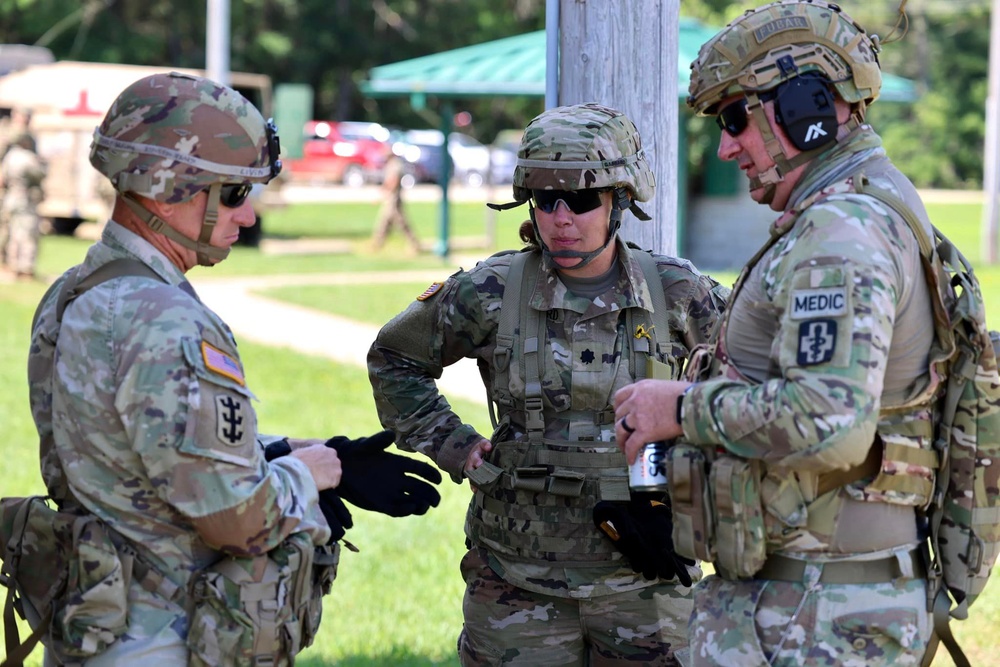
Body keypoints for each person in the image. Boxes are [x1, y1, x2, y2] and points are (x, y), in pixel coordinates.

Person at [23, 71, 441, 665]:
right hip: (163, 637)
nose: (246, 219)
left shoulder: (78, 290)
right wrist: (310, 475)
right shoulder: (164, 318)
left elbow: (140, 451)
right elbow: (236, 522)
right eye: (235, 196)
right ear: (171, 187)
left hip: (97, 625)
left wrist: (296, 451)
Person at [614, 2, 938, 665]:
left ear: (803, 107)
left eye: (736, 119)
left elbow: (830, 420)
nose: (727, 145)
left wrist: (675, 408)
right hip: (810, 602)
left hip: (815, 616)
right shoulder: (856, 209)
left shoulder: (840, 234)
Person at [369, 102, 728, 665]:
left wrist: (694, 473)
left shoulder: (678, 293)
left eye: (582, 200)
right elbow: (394, 358)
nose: (561, 218)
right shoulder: (490, 290)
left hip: (649, 578)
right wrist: (456, 446)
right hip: (516, 581)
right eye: (544, 200)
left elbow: (753, 388)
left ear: (619, 201)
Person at [0, 130, 45, 279]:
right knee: (28, 234)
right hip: (25, 199)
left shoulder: (9, 157)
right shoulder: (28, 158)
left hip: (11, 199)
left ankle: (12, 264)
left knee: (13, 234)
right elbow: (40, 175)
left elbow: (3, 179)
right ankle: (25, 267)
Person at [371, 152, 421, 253]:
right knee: (385, 221)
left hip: (394, 198)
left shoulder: (396, 165)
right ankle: (378, 243)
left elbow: (394, 180)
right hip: (390, 197)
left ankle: (414, 244)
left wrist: (385, 191)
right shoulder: (390, 164)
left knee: (401, 222)